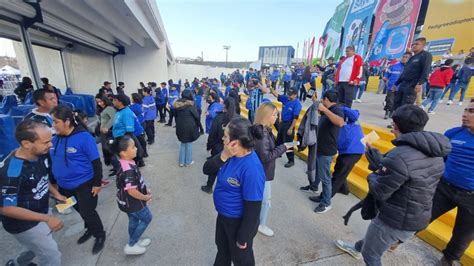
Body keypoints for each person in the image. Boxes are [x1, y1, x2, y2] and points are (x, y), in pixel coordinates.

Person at [335, 105, 451, 266]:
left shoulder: (399, 156)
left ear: (395, 125)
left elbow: (380, 191)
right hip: (417, 215)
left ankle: (361, 251)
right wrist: (383, 165)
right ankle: (356, 248)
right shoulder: (435, 152)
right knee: (376, 239)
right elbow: (408, 176)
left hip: (395, 218)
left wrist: (376, 173)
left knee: (371, 256)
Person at [0, 120, 65, 266]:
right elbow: (6, 208)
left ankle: (18, 263)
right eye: (45, 142)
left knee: (40, 246)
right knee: (52, 255)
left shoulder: (38, 154)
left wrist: (56, 194)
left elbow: (42, 178)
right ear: (27, 143)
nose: (50, 145)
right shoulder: (13, 171)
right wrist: (47, 219)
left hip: (40, 213)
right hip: (24, 224)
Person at [203, 117, 265, 265]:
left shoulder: (252, 169)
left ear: (235, 142)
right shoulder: (229, 154)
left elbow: (253, 209)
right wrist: (223, 156)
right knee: (223, 251)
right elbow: (207, 169)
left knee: (242, 259)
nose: (222, 138)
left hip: (238, 223)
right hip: (224, 217)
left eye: (225, 136)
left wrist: (243, 237)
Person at [50, 105, 107, 254]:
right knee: (79, 209)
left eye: (56, 122)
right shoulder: (55, 139)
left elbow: (96, 162)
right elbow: (53, 161)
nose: (53, 125)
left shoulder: (84, 137)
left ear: (67, 121)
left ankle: (99, 234)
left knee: (88, 211)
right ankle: (89, 228)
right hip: (64, 186)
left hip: (84, 184)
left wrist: (97, 183)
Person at [428, 99, 474, 266]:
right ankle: (396, 240)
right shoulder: (454, 133)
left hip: (471, 198)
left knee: (463, 236)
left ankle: (448, 260)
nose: (465, 114)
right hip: (444, 188)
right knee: (421, 215)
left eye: (471, 111)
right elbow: (441, 158)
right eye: (466, 110)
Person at [253, 102, 290, 237]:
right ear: (267, 116)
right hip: (263, 172)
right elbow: (266, 156)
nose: (276, 118)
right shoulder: (262, 133)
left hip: (261, 171)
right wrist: (283, 148)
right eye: (274, 115)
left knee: (262, 200)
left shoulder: (262, 130)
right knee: (265, 201)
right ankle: (260, 224)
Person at [114, 135, 153, 255]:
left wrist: (145, 189)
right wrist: (145, 197)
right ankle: (131, 244)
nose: (136, 148)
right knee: (147, 218)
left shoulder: (125, 162)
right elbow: (131, 191)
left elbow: (134, 183)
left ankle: (134, 241)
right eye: (133, 147)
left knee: (134, 220)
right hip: (133, 203)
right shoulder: (128, 170)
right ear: (123, 153)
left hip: (126, 203)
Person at [309, 90, 344, 213]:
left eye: (323, 100)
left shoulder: (337, 110)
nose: (322, 102)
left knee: (325, 178)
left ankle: (326, 203)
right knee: (319, 172)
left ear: (327, 100)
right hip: (321, 147)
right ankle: (321, 196)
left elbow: (340, 122)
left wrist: (324, 110)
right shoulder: (330, 109)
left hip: (327, 150)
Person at [202, 97, 236, 194]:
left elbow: (212, 134)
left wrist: (209, 146)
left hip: (218, 148)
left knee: (214, 167)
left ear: (224, 105)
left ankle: (209, 187)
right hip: (232, 149)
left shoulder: (219, 117)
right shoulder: (238, 118)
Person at [330, 107, 364, 197]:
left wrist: (341, 108)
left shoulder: (350, 119)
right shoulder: (344, 122)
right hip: (347, 150)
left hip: (352, 151)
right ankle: (344, 189)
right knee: (339, 170)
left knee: (338, 175)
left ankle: (325, 197)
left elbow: (354, 115)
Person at [393, 38, 433, 110]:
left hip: (412, 85)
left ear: (423, 46)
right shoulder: (412, 58)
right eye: (413, 44)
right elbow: (405, 72)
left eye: (417, 44)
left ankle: (403, 121)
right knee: (396, 105)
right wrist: (396, 84)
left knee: (405, 107)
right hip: (403, 84)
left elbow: (425, 70)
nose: (414, 46)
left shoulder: (426, 55)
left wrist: (420, 83)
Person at [270, 87, 302, 168]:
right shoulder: (286, 98)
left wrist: (291, 128)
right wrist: (270, 87)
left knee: (288, 144)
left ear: (295, 95)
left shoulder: (297, 104)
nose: (289, 96)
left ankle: (291, 160)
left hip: (289, 124)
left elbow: (295, 118)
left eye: (291, 95)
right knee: (279, 140)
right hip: (282, 123)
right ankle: (278, 153)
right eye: (288, 94)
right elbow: (276, 95)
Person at [112, 94, 146, 167]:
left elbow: (129, 131)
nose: (113, 102)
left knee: (130, 160)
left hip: (124, 139)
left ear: (120, 102)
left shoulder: (126, 113)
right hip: (119, 138)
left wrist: (126, 145)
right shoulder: (119, 112)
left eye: (115, 100)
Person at [174, 90, 203, 167]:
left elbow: (175, 116)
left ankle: (181, 162)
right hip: (190, 127)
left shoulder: (177, 104)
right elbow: (197, 116)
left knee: (183, 143)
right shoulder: (191, 104)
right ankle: (188, 161)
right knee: (189, 144)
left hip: (180, 126)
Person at [298, 90, 319, 193]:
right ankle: (312, 185)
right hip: (314, 139)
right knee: (313, 164)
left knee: (313, 164)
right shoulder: (317, 106)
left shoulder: (317, 107)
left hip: (316, 139)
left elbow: (313, 123)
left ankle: (313, 186)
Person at [95, 94, 116, 185]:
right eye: (98, 102)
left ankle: (117, 167)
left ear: (105, 100)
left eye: (101, 101)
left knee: (111, 150)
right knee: (106, 150)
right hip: (103, 133)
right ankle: (114, 166)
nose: (99, 103)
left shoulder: (110, 108)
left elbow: (114, 118)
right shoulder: (102, 110)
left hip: (109, 133)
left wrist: (106, 127)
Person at [383, 52, 411, 119]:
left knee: (396, 102)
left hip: (402, 88)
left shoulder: (410, 68)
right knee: (389, 100)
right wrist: (385, 77)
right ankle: (387, 112)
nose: (404, 58)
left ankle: (392, 113)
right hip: (391, 87)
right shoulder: (394, 66)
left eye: (407, 57)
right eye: (404, 56)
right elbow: (387, 73)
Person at [130, 93, 148, 159]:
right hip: (143, 122)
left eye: (131, 97)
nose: (131, 99)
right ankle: (145, 152)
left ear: (134, 99)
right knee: (142, 139)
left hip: (139, 124)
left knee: (138, 140)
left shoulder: (134, 107)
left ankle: (141, 154)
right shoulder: (141, 105)